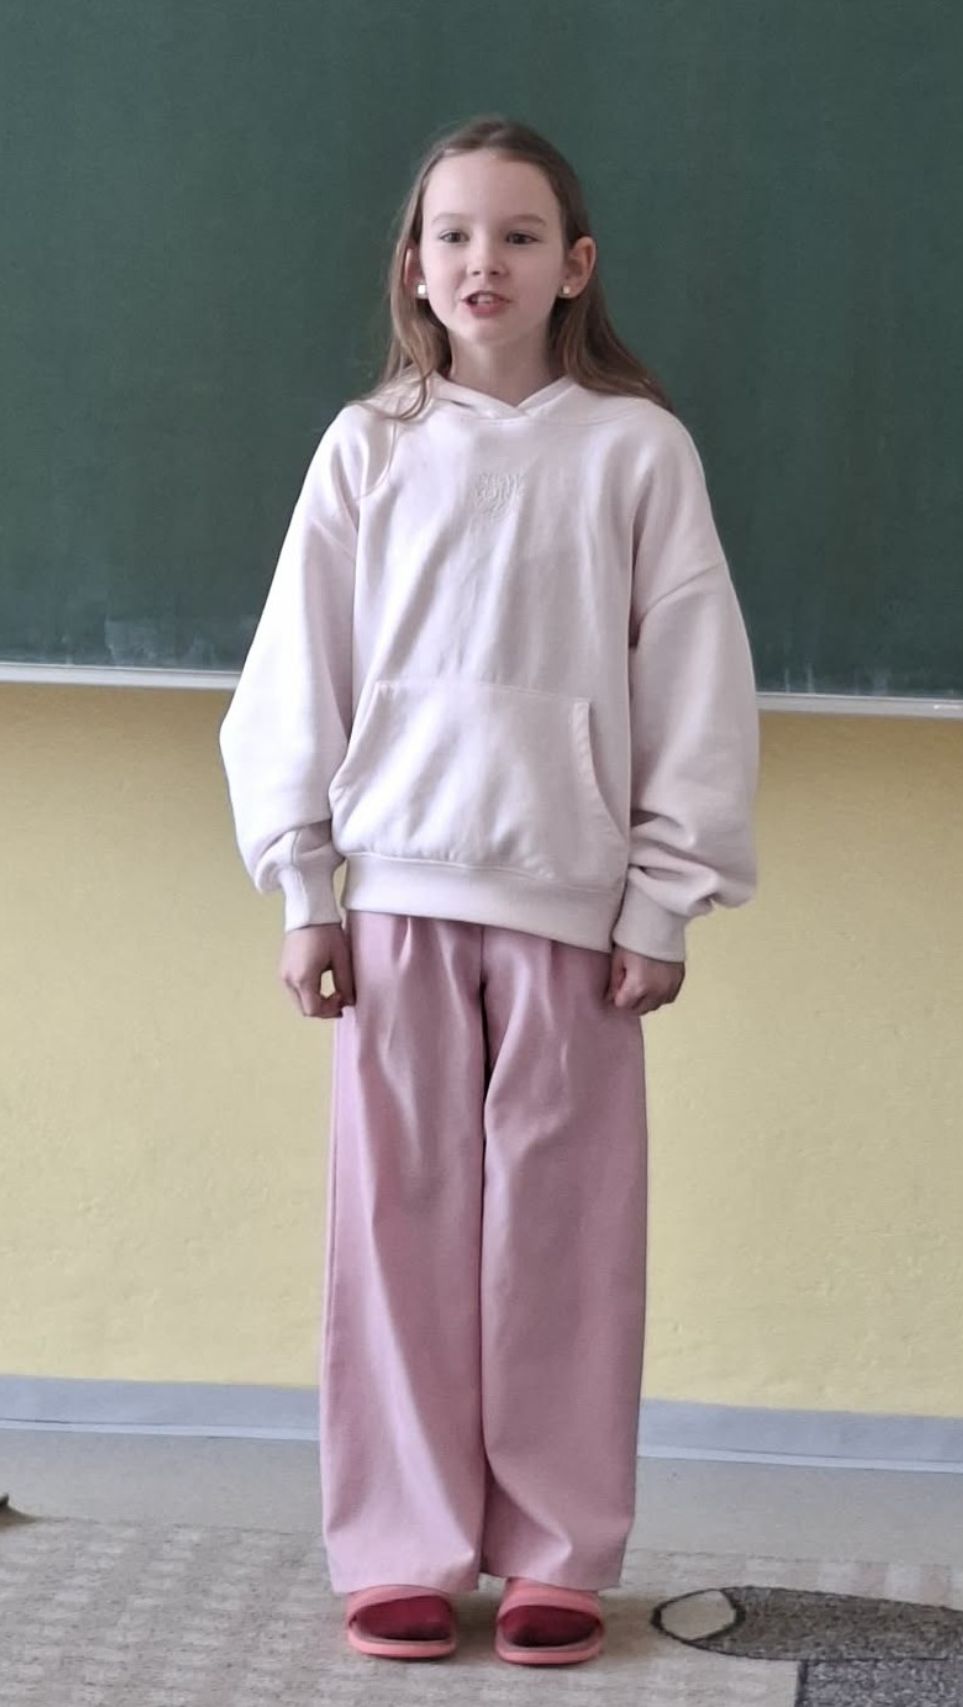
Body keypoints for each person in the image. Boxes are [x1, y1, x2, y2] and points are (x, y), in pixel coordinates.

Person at [218, 113, 760, 1667]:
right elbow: (296, 676)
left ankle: (553, 1554)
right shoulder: (367, 447)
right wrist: (305, 888)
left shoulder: (637, 451)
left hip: (573, 915)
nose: (483, 261)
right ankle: (401, 1543)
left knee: (563, 1241)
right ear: (414, 264)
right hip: (396, 901)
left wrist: (662, 897)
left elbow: (695, 681)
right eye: (453, 233)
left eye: (519, 235)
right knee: (393, 1233)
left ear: (575, 266)